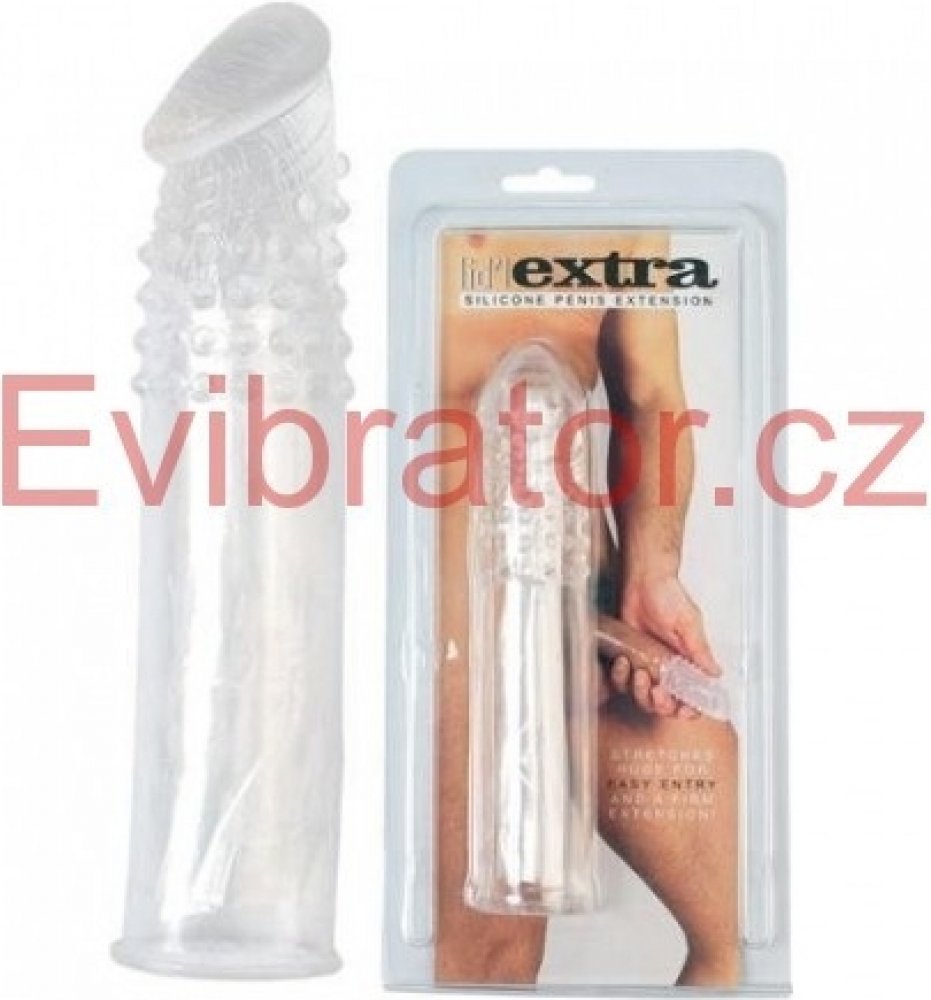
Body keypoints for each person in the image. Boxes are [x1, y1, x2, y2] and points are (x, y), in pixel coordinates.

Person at [435, 230, 739, 987]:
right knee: (487, 958)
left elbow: (652, 392)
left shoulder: (626, 204)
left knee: (745, 928)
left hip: (578, 583)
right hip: (449, 568)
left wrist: (652, 571)